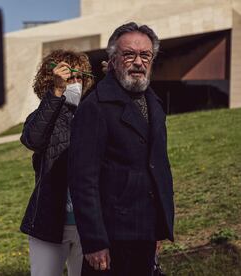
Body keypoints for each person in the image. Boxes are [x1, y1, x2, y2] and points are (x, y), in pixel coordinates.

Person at [68, 22, 174, 276]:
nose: (138, 62)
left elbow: (158, 166)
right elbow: (83, 180)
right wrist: (94, 242)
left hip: (145, 231)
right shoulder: (94, 106)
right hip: (111, 237)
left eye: (145, 55)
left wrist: (159, 227)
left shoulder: (154, 104)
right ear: (113, 60)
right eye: (129, 55)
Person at [20, 49, 94, 276]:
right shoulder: (41, 115)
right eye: (67, 77)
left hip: (89, 224)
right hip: (50, 222)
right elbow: (32, 139)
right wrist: (57, 91)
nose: (74, 82)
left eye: (78, 77)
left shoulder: (92, 114)